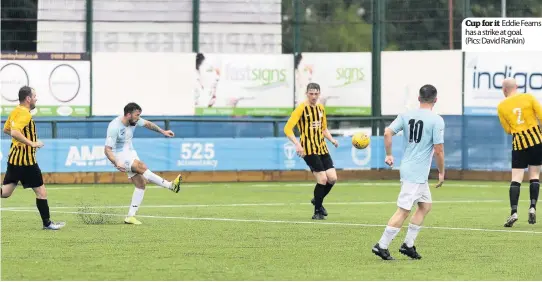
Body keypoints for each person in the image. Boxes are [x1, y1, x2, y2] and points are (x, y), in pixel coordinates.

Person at [371, 84, 445, 260]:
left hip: (411, 169)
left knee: (425, 206)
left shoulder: (406, 115)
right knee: (403, 211)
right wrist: (441, 173)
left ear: (419, 99)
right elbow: (439, 150)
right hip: (416, 174)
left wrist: (389, 155)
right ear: (435, 100)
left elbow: (388, 132)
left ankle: (408, 245)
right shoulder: (436, 120)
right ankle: (381, 245)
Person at [104, 102, 182, 225]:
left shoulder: (134, 121)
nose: (138, 118)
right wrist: (116, 161)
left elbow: (148, 124)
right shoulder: (115, 127)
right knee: (142, 166)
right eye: (137, 115)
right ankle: (171, 186)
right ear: (128, 114)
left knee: (141, 184)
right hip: (119, 155)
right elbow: (107, 149)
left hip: (130, 152)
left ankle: (130, 217)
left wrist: (163, 131)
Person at [1, 86, 65, 230]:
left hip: (14, 159)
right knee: (41, 192)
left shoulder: (15, 111)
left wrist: (20, 141)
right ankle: (47, 223)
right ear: (28, 99)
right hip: (26, 162)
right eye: (35, 96)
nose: (36, 99)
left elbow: (6, 129)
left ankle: (47, 223)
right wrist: (32, 143)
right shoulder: (25, 114)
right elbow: (15, 132)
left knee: (5, 192)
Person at [283, 82, 339, 220]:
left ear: (319, 93)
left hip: (322, 147)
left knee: (332, 178)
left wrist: (331, 140)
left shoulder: (320, 108)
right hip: (308, 149)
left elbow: (323, 128)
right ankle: (317, 211)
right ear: (307, 93)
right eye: (311, 94)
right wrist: (297, 144)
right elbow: (287, 129)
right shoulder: (301, 108)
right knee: (322, 179)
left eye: (316, 93)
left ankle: (317, 200)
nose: (314, 96)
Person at [497, 78, 542, 227]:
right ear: (517, 86)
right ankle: (532, 207)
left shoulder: (501, 106)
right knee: (534, 175)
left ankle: (514, 212)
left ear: (504, 90)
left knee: (516, 178)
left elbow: (507, 130)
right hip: (536, 140)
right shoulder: (528, 97)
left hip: (519, 143)